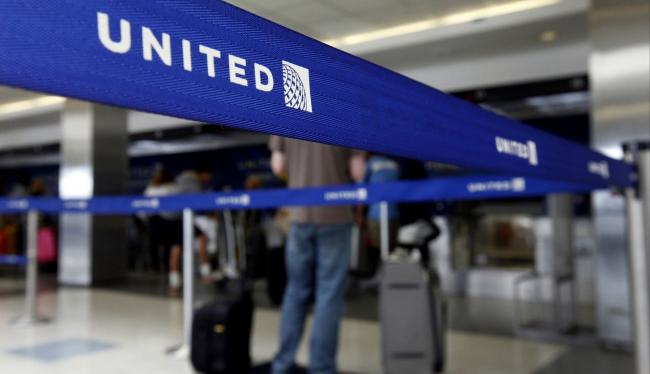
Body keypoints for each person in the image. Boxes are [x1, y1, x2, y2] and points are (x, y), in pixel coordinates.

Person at [269, 136, 365, 374]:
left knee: (296, 291)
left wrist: (299, 174)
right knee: (329, 294)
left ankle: (282, 363)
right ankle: (321, 367)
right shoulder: (346, 114)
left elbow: (278, 166)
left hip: (299, 215)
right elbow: (357, 173)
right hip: (335, 215)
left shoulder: (287, 111)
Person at [362, 153, 401, 252]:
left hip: (375, 214)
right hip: (394, 214)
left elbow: (361, 189)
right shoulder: (395, 163)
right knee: (391, 250)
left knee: (375, 250)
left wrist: (359, 214)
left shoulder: (370, 163)